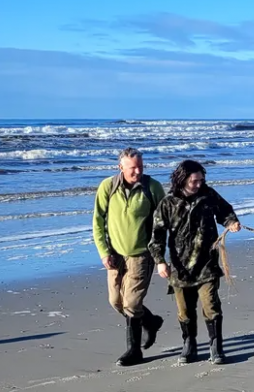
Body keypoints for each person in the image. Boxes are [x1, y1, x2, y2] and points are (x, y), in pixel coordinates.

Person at [149, 159, 241, 365]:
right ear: (182, 179)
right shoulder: (168, 203)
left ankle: (216, 346)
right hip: (180, 267)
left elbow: (225, 211)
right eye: (194, 181)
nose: (199, 184)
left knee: (211, 305)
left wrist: (232, 222)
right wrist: (159, 261)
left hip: (207, 263)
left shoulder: (208, 195)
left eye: (201, 179)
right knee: (184, 311)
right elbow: (157, 234)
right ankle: (189, 344)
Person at [92, 147, 166, 367]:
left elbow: (163, 223)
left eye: (140, 167)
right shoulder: (108, 187)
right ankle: (151, 321)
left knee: (132, 303)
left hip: (142, 255)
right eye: (132, 168)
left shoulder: (152, 188)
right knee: (116, 301)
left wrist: (160, 255)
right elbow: (97, 222)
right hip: (115, 256)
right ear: (121, 167)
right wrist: (104, 252)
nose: (137, 172)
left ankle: (134, 351)